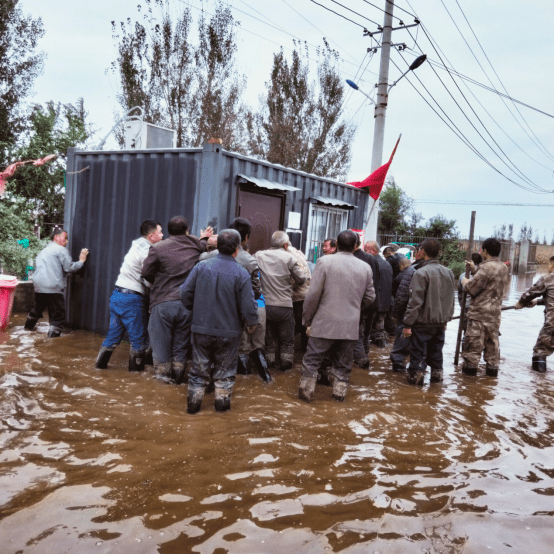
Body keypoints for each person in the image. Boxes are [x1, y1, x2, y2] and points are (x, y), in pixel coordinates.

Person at [180, 229, 259, 413]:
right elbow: (249, 308)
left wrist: (196, 312)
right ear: (237, 250)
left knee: (198, 373)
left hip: (201, 329)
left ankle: (192, 411)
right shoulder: (241, 273)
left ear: (217, 247)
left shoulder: (201, 267)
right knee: (225, 376)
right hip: (229, 333)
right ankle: (221, 414)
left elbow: (184, 294)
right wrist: (251, 324)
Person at [298, 230, 375, 403]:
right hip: (350, 326)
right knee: (343, 364)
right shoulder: (365, 267)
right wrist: (354, 308)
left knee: (312, 361)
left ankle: (305, 396)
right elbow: (370, 297)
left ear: (337, 245)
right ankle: (339, 396)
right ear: (356, 246)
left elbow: (313, 295)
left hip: (323, 324)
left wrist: (307, 319)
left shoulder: (324, 262)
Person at [141, 216, 212, 383]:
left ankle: (162, 380)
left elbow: (145, 273)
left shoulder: (158, 248)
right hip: (187, 304)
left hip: (163, 302)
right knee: (180, 347)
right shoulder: (195, 243)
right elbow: (204, 245)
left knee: (160, 345)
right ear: (187, 230)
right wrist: (205, 237)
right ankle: (179, 377)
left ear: (168, 230)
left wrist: (158, 281)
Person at [95, 220, 163, 372]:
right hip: (132, 299)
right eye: (160, 232)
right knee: (139, 341)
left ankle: (98, 368)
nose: (163, 235)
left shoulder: (137, 244)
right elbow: (148, 277)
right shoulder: (148, 251)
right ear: (152, 236)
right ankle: (135, 379)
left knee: (112, 337)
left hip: (117, 296)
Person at [402, 238, 455, 385]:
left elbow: (415, 302)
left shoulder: (421, 273)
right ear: (439, 253)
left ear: (422, 252)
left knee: (418, 357)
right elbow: (451, 299)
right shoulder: (449, 272)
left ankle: (415, 385)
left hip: (422, 323)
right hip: (440, 323)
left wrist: (407, 324)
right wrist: (446, 319)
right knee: (437, 355)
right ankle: (436, 386)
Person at [255, 231, 306, 371]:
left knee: (268, 337)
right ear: (285, 245)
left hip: (265, 305)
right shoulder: (289, 257)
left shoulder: (259, 255)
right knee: (287, 339)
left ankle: (269, 361)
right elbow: (302, 279)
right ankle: (286, 362)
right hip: (284, 305)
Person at [24, 228, 89, 338]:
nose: (67, 241)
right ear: (56, 237)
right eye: (65, 238)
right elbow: (69, 268)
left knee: (38, 309)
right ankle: (52, 342)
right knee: (58, 315)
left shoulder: (44, 250)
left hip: (39, 286)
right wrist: (81, 261)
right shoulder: (61, 250)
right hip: (53, 287)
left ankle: (27, 330)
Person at [460, 237, 510, 377]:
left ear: (485, 251)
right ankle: (490, 384)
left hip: (479, 316)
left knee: (472, 353)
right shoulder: (503, 267)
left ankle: (469, 387)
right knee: (492, 351)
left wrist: (465, 282)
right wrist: (475, 271)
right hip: (494, 316)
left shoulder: (486, 267)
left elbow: (473, 289)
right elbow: (489, 282)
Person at [515, 255, 554, 372]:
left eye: (549, 264)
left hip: (552, 323)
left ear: (552, 265)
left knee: (540, 351)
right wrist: (538, 302)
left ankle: (539, 384)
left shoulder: (548, 279)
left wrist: (521, 302)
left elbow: (531, 292)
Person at [352, 234, 379, 368]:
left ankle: (362, 359)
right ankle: (365, 355)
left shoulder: (353, 258)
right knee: (365, 332)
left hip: (358, 302)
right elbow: (375, 280)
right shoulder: (370, 258)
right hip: (371, 301)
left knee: (357, 332)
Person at [364, 240, 393, 348]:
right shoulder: (386, 263)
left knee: (371, 329)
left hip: (375, 302)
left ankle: (374, 352)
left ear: (373, 250)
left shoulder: (373, 263)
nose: (364, 252)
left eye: (366, 250)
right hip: (385, 302)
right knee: (379, 328)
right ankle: (382, 352)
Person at [389, 257, 415, 372]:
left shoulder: (400, 277)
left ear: (401, 266)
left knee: (401, 341)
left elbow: (399, 299)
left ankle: (398, 367)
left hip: (404, 314)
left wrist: (395, 315)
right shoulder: (415, 273)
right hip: (415, 315)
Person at [289, 245, 312, 353]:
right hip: (305, 295)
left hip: (297, 297)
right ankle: (303, 350)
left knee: (295, 325)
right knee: (303, 325)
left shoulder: (290, 256)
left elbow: (297, 279)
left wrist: (287, 288)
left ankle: (294, 351)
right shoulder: (299, 253)